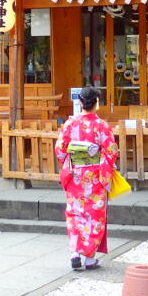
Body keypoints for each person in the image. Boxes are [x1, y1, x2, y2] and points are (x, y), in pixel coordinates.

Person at [54, 86, 118, 271]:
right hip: (95, 177)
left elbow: (60, 149)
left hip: (75, 175)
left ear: (80, 103)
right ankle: (89, 258)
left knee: (75, 214)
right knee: (94, 216)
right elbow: (111, 151)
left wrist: (75, 156)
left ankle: (75, 252)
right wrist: (102, 161)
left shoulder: (70, 124)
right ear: (97, 102)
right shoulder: (102, 126)